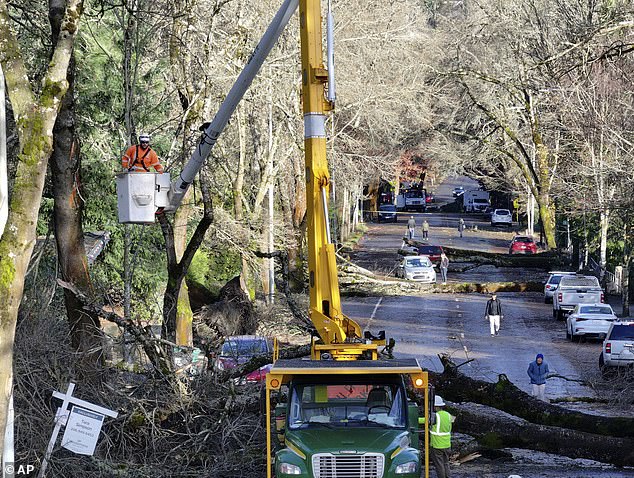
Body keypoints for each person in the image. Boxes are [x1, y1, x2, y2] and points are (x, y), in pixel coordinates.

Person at [419, 395, 455, 478]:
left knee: (439, 465)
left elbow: (423, 420)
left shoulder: (435, 416)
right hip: (447, 445)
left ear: (435, 406)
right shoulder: (448, 415)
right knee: (446, 463)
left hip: (437, 445)